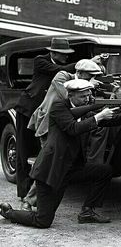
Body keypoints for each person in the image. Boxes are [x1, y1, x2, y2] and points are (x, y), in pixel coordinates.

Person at [0, 79, 121, 228]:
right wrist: (98, 116)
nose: (87, 99)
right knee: (43, 220)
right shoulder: (58, 107)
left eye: (89, 96)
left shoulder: (83, 109)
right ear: (71, 95)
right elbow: (73, 128)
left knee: (104, 171)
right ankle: (9, 212)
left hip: (70, 169)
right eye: (83, 96)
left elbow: (107, 121)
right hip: (50, 170)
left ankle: (87, 212)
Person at [21, 59, 103, 211]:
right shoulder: (62, 77)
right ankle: (29, 201)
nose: (91, 79)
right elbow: (69, 97)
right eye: (89, 76)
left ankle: (40, 201)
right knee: (47, 167)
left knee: (56, 167)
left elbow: (83, 105)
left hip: (62, 126)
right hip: (48, 126)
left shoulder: (84, 86)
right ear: (79, 73)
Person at [15, 37, 76, 201]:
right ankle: (23, 193)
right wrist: (82, 64)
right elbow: (58, 70)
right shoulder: (40, 60)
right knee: (23, 151)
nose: (66, 57)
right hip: (27, 109)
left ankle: (35, 192)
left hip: (44, 113)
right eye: (63, 54)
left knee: (40, 153)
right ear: (53, 53)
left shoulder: (60, 69)